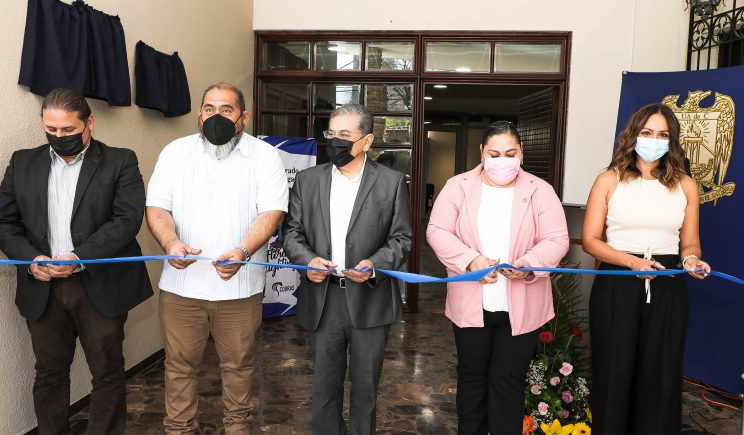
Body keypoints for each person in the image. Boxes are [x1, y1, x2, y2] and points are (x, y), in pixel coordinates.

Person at [0, 87, 152, 434]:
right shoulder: (22, 162)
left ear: (89, 123)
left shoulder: (121, 161)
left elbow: (126, 220)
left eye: (68, 130)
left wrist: (79, 257)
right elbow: (1, 222)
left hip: (98, 286)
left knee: (107, 373)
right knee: (49, 373)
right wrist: (29, 258)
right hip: (42, 287)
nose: (59, 137)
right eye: (51, 130)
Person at [146, 83, 288, 434]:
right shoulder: (175, 153)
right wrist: (170, 242)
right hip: (182, 287)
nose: (216, 116)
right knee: (178, 367)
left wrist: (242, 251)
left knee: (239, 366)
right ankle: (179, 429)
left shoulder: (265, 155)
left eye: (226, 109)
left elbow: (272, 213)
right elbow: (157, 207)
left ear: (243, 116)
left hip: (239, 288)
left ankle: (237, 428)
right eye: (209, 109)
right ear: (199, 113)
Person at [427, 121, 569, 435]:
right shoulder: (458, 186)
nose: (502, 161)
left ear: (521, 153)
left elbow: (557, 238)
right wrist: (470, 260)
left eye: (510, 153)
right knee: (472, 379)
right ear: (481, 152)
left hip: (521, 306)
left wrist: (530, 263)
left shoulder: (539, 190)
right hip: (471, 303)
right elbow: (437, 231)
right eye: (494, 153)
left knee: (508, 382)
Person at [283, 103, 413, 435]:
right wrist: (307, 261)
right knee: (324, 386)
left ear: (367, 141)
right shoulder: (309, 180)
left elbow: (401, 238)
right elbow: (292, 232)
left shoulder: (391, 182)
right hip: (324, 297)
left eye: (345, 135)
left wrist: (374, 265)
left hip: (369, 298)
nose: (335, 141)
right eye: (331, 133)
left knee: (366, 388)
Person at [582, 103, 711, 434]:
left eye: (663, 135)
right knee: (614, 371)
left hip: (667, 283)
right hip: (618, 280)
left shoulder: (685, 185)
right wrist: (630, 262)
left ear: (672, 141)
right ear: (633, 135)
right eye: (647, 133)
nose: (654, 140)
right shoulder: (608, 180)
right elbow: (590, 241)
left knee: (661, 373)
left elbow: (690, 244)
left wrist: (692, 260)